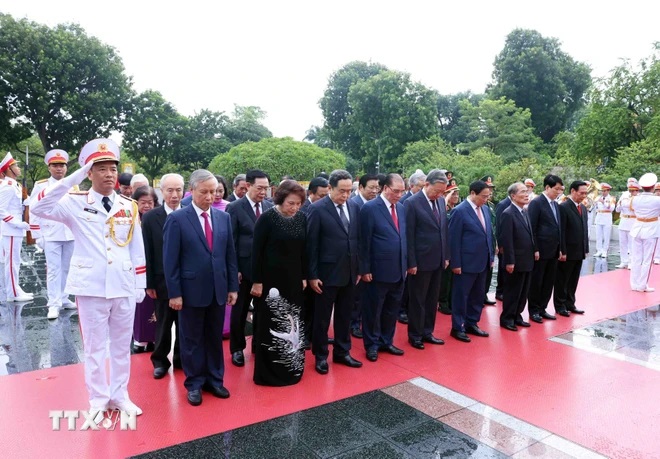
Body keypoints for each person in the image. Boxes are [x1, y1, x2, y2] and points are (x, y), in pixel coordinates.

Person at [31, 138, 146, 415]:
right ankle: (97, 399)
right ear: (89, 173)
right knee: (95, 348)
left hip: (122, 284)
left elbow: (136, 247)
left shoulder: (128, 205)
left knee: (120, 347)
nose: (109, 174)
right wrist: (74, 176)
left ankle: (120, 396)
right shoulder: (73, 201)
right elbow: (39, 208)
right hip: (91, 287)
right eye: (102, 168)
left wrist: (140, 283)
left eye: (113, 169)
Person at [163, 169, 238, 406]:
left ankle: (215, 380)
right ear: (192, 190)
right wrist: (174, 293)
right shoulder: (177, 219)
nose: (209, 197)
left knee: (214, 338)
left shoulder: (223, 217)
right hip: (190, 291)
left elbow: (229, 255)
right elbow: (170, 261)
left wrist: (232, 287)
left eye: (213, 192)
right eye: (204, 192)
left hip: (218, 288)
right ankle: (194, 383)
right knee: (192, 339)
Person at [249, 180, 307, 386]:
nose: (295, 208)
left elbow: (304, 251)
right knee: (272, 322)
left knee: (294, 321)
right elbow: (256, 253)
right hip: (270, 281)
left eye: (299, 204)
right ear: (281, 199)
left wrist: (304, 276)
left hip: (293, 279)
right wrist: (256, 281)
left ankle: (291, 367)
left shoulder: (301, 218)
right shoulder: (267, 218)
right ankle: (270, 372)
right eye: (291, 203)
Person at [307, 170, 362, 374]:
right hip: (325, 273)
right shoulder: (318, 209)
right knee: (322, 318)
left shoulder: (355, 207)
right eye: (342, 191)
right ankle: (321, 356)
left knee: (345, 315)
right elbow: (311, 245)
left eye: (349, 191)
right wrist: (312, 275)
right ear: (330, 188)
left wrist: (360, 268)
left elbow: (358, 240)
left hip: (350, 271)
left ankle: (342, 352)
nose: (346, 195)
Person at [226, 169, 273, 367]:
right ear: (248, 186)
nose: (263, 192)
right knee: (240, 311)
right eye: (259, 188)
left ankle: (259, 344)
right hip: (243, 269)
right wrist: (233, 269)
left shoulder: (271, 207)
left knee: (264, 311)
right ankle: (237, 348)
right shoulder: (235, 208)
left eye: (266, 188)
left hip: (266, 269)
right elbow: (230, 242)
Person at [359, 173, 407, 362]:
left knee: (391, 309)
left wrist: (407, 263)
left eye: (402, 191)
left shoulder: (402, 209)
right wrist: (365, 269)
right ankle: (371, 344)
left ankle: (386, 341)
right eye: (396, 191)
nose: (399, 195)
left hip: (398, 270)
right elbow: (364, 242)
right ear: (385, 188)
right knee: (373, 310)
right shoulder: (370, 209)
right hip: (377, 271)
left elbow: (404, 237)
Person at [141, 173, 184, 379]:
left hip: (187, 280)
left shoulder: (190, 213)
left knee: (186, 324)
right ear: (161, 191)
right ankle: (159, 361)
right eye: (170, 190)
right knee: (163, 324)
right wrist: (148, 283)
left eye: (178, 190)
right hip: (161, 280)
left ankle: (181, 359)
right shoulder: (150, 218)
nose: (174, 195)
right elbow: (147, 253)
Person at [404, 169, 449, 349]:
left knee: (432, 299)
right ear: (426, 184)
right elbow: (409, 235)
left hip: (438, 260)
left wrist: (446, 256)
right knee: (418, 299)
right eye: (436, 190)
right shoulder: (412, 203)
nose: (439, 194)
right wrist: (411, 262)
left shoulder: (440, 201)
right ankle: (415, 334)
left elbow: (444, 231)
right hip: (420, 261)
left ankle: (427, 331)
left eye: (442, 192)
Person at [28, 149, 76, 319]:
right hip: (50, 232)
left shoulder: (73, 185)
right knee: (54, 270)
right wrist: (37, 235)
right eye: (55, 165)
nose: (59, 169)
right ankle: (53, 303)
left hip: (69, 233)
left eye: (62, 165)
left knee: (67, 268)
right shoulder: (41, 185)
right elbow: (33, 211)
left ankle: (63, 298)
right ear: (49, 168)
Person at [448, 180, 494, 343]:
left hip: (483, 261)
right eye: (483, 196)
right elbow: (453, 240)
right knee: (461, 295)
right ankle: (457, 326)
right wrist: (456, 263)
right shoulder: (460, 211)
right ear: (472, 193)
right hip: (465, 263)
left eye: (488, 196)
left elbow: (489, 234)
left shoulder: (486, 210)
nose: (486, 199)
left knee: (477, 295)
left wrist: (491, 257)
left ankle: (472, 323)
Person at [498, 182, 538, 331]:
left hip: (527, 259)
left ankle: (517, 315)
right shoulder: (508, 213)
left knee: (523, 291)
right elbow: (506, 240)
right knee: (513, 291)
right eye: (522, 191)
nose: (526, 194)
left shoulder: (524, 211)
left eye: (527, 191)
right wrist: (509, 261)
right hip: (515, 260)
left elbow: (530, 234)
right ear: (513, 196)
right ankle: (507, 318)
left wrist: (535, 250)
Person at [527, 174, 564, 324]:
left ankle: (542, 308)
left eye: (561, 190)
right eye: (556, 189)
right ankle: (534, 310)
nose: (558, 192)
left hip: (553, 250)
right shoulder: (537, 203)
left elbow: (558, 228)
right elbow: (532, 228)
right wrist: (535, 248)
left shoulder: (555, 204)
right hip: (541, 250)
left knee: (549, 281)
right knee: (537, 281)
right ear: (547, 187)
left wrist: (560, 247)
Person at [0, 153, 35, 302]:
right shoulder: (7, 186)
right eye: (16, 166)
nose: (19, 168)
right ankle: (12, 293)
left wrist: (25, 203)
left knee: (15, 261)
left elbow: (15, 206)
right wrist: (18, 223)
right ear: (9, 169)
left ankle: (15, 288)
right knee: (11, 262)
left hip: (15, 230)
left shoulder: (16, 185)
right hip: (11, 230)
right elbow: (1, 209)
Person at [348, 173, 379, 338]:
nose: (375, 191)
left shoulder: (378, 204)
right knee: (356, 296)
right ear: (360, 187)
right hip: (358, 257)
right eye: (371, 188)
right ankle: (353, 323)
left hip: (375, 257)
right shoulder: (354, 205)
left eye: (377, 188)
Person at [130, 186, 159, 354]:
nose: (147, 206)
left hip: (154, 267)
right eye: (143, 202)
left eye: (150, 202)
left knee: (156, 304)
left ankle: (155, 338)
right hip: (137, 268)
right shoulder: (130, 218)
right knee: (140, 304)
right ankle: (140, 339)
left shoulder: (158, 218)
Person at [554, 181, 589, 316]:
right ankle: (560, 305)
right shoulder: (563, 207)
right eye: (581, 193)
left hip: (579, 250)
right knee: (562, 279)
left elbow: (584, 230)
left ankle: (570, 303)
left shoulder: (583, 208)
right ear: (573, 191)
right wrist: (562, 250)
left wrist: (585, 247)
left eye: (586, 193)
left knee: (573, 279)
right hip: (567, 251)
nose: (584, 196)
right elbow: (561, 231)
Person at [629, 173, 660, 292]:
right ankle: (642, 285)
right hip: (651, 230)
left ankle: (634, 284)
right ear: (653, 187)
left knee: (636, 258)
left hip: (637, 228)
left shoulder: (635, 199)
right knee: (647, 259)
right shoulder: (657, 200)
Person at [438, 184, 460, 315]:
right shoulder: (443, 210)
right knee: (445, 278)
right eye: (453, 194)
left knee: (452, 277)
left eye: (457, 194)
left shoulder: (456, 209)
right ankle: (443, 302)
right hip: (445, 247)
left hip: (455, 248)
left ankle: (450, 300)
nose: (456, 197)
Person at [480, 175, 498, 306]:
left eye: (491, 189)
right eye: (488, 189)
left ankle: (485, 293)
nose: (490, 192)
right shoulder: (480, 206)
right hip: (480, 243)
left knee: (489, 270)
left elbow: (494, 226)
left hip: (490, 241)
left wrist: (496, 242)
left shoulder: (490, 206)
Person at [616, 179, 640, 269]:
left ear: (637, 191)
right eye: (630, 190)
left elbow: (635, 209)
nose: (631, 192)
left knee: (632, 244)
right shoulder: (624, 195)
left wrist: (626, 204)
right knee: (622, 243)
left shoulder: (639, 198)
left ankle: (631, 262)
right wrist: (621, 204)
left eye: (633, 190)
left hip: (633, 222)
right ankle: (623, 261)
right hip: (623, 221)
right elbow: (617, 209)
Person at [494, 190, 512, 303]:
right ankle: (500, 291)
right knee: (502, 268)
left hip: (513, 245)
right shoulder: (503, 204)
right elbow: (499, 225)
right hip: (504, 244)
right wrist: (500, 244)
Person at [594, 183, 616, 257]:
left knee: (606, 235)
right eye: (602, 191)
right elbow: (595, 207)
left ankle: (605, 251)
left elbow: (612, 208)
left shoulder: (612, 198)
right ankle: (599, 250)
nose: (603, 192)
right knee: (598, 235)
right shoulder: (598, 197)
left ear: (608, 191)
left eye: (604, 191)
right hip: (599, 217)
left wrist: (604, 202)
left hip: (607, 218)